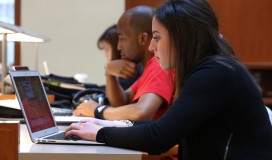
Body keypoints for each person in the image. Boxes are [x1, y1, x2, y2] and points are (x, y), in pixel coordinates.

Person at [67, 0, 272, 159]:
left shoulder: (214, 74)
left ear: (182, 38)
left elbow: (158, 138)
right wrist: (105, 125)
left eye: (157, 37)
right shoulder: (213, 68)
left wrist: (99, 133)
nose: (151, 47)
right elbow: (164, 126)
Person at [73, 5, 175, 120]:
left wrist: (98, 110)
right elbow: (122, 103)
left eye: (122, 38)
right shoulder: (150, 67)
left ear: (142, 39)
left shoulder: (158, 65)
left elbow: (141, 112)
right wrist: (109, 73)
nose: (118, 46)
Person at [97, 24, 142, 90]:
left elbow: (119, 95)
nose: (105, 55)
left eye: (106, 50)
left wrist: (108, 70)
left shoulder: (130, 70)